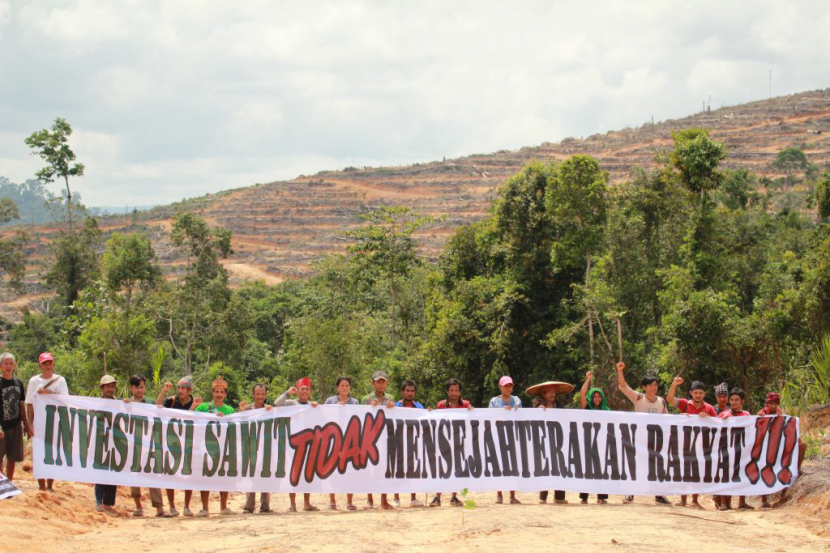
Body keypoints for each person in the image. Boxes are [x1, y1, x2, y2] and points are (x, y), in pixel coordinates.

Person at [616, 361, 671, 505]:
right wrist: (620, 371)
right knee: (635, 465)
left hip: (656, 439)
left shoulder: (662, 401)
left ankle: (658, 494)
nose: (654, 387)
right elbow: (624, 387)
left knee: (657, 466)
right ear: (644, 387)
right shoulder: (639, 398)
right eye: (651, 385)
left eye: (655, 385)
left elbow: (668, 419)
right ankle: (630, 494)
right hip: (639, 439)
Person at [667, 377, 716, 509]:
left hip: (701, 446)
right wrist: (674, 385)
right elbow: (670, 399)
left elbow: (718, 425)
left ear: (704, 394)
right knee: (683, 471)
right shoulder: (684, 404)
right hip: (684, 444)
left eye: (701, 393)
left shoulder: (709, 408)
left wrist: (709, 418)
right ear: (691, 393)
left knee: (697, 473)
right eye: (696, 393)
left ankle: (694, 500)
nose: (698, 395)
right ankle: (683, 500)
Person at [156, 375, 202, 516]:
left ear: (189, 390)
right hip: (171, 442)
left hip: (189, 442)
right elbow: (157, 407)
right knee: (171, 474)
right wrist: (163, 391)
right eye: (179, 388)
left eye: (183, 388)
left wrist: (193, 408)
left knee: (188, 474)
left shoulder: (195, 403)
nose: (180, 391)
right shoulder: (171, 401)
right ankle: (172, 507)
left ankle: (186, 507)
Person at [276, 377, 322, 512]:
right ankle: (292, 504)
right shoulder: (291, 403)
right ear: (298, 391)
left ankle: (307, 503)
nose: (305, 391)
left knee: (308, 472)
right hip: (293, 442)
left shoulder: (312, 405)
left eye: (307, 389)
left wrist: (316, 408)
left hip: (309, 442)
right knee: (294, 472)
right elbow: (277, 403)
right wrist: (287, 393)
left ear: (310, 392)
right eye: (302, 389)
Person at [25, 352, 69, 492]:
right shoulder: (33, 381)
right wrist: (29, 424)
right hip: (39, 423)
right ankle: (41, 486)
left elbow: (65, 400)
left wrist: (47, 393)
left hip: (55, 422)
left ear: (54, 364)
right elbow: (30, 404)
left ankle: (50, 486)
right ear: (40, 366)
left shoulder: (60, 380)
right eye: (45, 363)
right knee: (39, 454)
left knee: (52, 454)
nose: (48, 365)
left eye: (50, 362)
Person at [124, 374, 166, 517]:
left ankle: (159, 508)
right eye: (136, 387)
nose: (139, 390)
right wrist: (122, 404)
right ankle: (138, 507)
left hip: (149, 445)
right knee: (134, 478)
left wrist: (159, 408)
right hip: (132, 446)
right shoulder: (126, 403)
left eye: (142, 387)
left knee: (152, 476)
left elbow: (159, 414)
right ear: (131, 388)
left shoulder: (150, 402)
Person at [528, 379, 574, 505]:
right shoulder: (538, 404)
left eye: (554, 392)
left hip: (559, 439)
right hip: (543, 440)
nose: (552, 394)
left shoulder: (559, 406)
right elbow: (531, 417)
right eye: (549, 392)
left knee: (560, 466)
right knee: (545, 466)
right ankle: (543, 497)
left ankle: (559, 496)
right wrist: (538, 409)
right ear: (543, 394)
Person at [195, 376, 235, 516]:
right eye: (216, 391)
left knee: (223, 476)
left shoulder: (229, 410)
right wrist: (211, 415)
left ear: (225, 394)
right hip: (205, 446)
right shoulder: (204, 407)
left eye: (222, 391)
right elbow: (193, 418)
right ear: (212, 392)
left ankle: (223, 507)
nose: (219, 394)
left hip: (224, 447)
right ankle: (205, 508)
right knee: (205, 477)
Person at [757, 392, 805, 509]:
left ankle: (783, 493)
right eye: (771, 403)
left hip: (778, 446)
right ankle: (764, 499)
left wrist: (796, 437)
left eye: (775, 404)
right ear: (767, 403)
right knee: (765, 470)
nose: (773, 406)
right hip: (765, 447)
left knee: (801, 447)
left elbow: (787, 428)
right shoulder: (762, 414)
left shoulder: (781, 414)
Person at [432, 378, 472, 507]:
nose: (454, 393)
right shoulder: (441, 405)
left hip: (460, 441)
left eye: (456, 390)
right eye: (451, 390)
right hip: (443, 440)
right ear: (447, 391)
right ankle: (437, 497)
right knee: (441, 468)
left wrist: (473, 411)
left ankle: (454, 497)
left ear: (460, 392)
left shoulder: (466, 405)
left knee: (457, 469)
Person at [324, 376, 359, 510]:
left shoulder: (355, 402)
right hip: (333, 439)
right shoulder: (330, 401)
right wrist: (335, 408)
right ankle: (332, 501)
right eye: (342, 385)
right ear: (337, 387)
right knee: (332, 470)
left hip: (350, 440)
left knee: (350, 471)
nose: (345, 388)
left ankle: (349, 501)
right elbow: (324, 416)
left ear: (350, 387)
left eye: (347, 385)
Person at [362, 371, 395, 510]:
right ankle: (369, 499)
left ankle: (384, 500)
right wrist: (370, 408)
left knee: (384, 469)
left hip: (385, 437)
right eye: (378, 381)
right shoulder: (366, 399)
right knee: (370, 469)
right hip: (370, 437)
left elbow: (394, 417)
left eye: (383, 381)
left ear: (386, 383)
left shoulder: (391, 398)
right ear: (373, 383)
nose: (381, 384)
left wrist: (392, 408)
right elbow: (360, 417)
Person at [716, 387, 753, 511]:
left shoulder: (747, 415)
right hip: (726, 450)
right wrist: (722, 421)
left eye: (737, 399)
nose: (734, 402)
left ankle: (742, 502)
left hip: (742, 449)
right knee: (725, 475)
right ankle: (723, 503)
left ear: (742, 400)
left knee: (742, 474)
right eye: (731, 399)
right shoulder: (723, 414)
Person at [239, 383, 273, 514]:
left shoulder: (269, 409)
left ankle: (265, 507)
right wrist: (241, 411)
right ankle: (249, 507)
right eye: (257, 394)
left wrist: (272, 411)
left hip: (266, 447)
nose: (260, 396)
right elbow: (239, 422)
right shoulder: (246, 409)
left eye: (262, 394)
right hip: (250, 446)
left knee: (265, 475)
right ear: (253, 394)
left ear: (266, 395)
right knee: (251, 475)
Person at [488, 375, 521, 505]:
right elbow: (490, 416)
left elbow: (521, 414)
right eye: (505, 386)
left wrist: (514, 411)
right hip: (498, 436)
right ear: (500, 387)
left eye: (510, 386)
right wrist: (503, 411)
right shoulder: (494, 402)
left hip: (513, 436)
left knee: (513, 465)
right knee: (499, 465)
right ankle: (499, 494)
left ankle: (512, 495)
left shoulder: (517, 400)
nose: (508, 388)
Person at [578, 370, 610, 504]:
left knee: (602, 470)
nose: (597, 399)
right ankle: (584, 497)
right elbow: (582, 394)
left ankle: (601, 497)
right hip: (588, 443)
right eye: (594, 396)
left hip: (602, 444)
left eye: (599, 396)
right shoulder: (587, 408)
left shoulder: (607, 411)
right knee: (587, 469)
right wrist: (588, 380)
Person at [393, 380, 424, 508]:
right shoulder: (395, 406)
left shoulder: (419, 407)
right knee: (397, 469)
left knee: (413, 470)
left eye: (412, 391)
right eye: (407, 391)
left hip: (414, 441)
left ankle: (413, 498)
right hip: (398, 441)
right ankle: (396, 498)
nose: (410, 393)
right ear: (402, 391)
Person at [0, 353, 30, 483]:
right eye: (6, 363)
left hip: (16, 424)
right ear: (1, 365)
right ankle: (1, 486)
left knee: (12, 457)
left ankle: (9, 484)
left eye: (11, 363)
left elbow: (21, 404)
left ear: (14, 366)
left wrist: (26, 423)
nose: (8, 366)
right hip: (2, 425)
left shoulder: (18, 383)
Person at [94, 375, 119, 512]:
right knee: (100, 472)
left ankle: (108, 503)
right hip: (99, 441)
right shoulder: (96, 403)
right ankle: (98, 502)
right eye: (107, 386)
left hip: (114, 442)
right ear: (102, 388)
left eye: (112, 386)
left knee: (112, 473)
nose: (110, 389)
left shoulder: (118, 403)